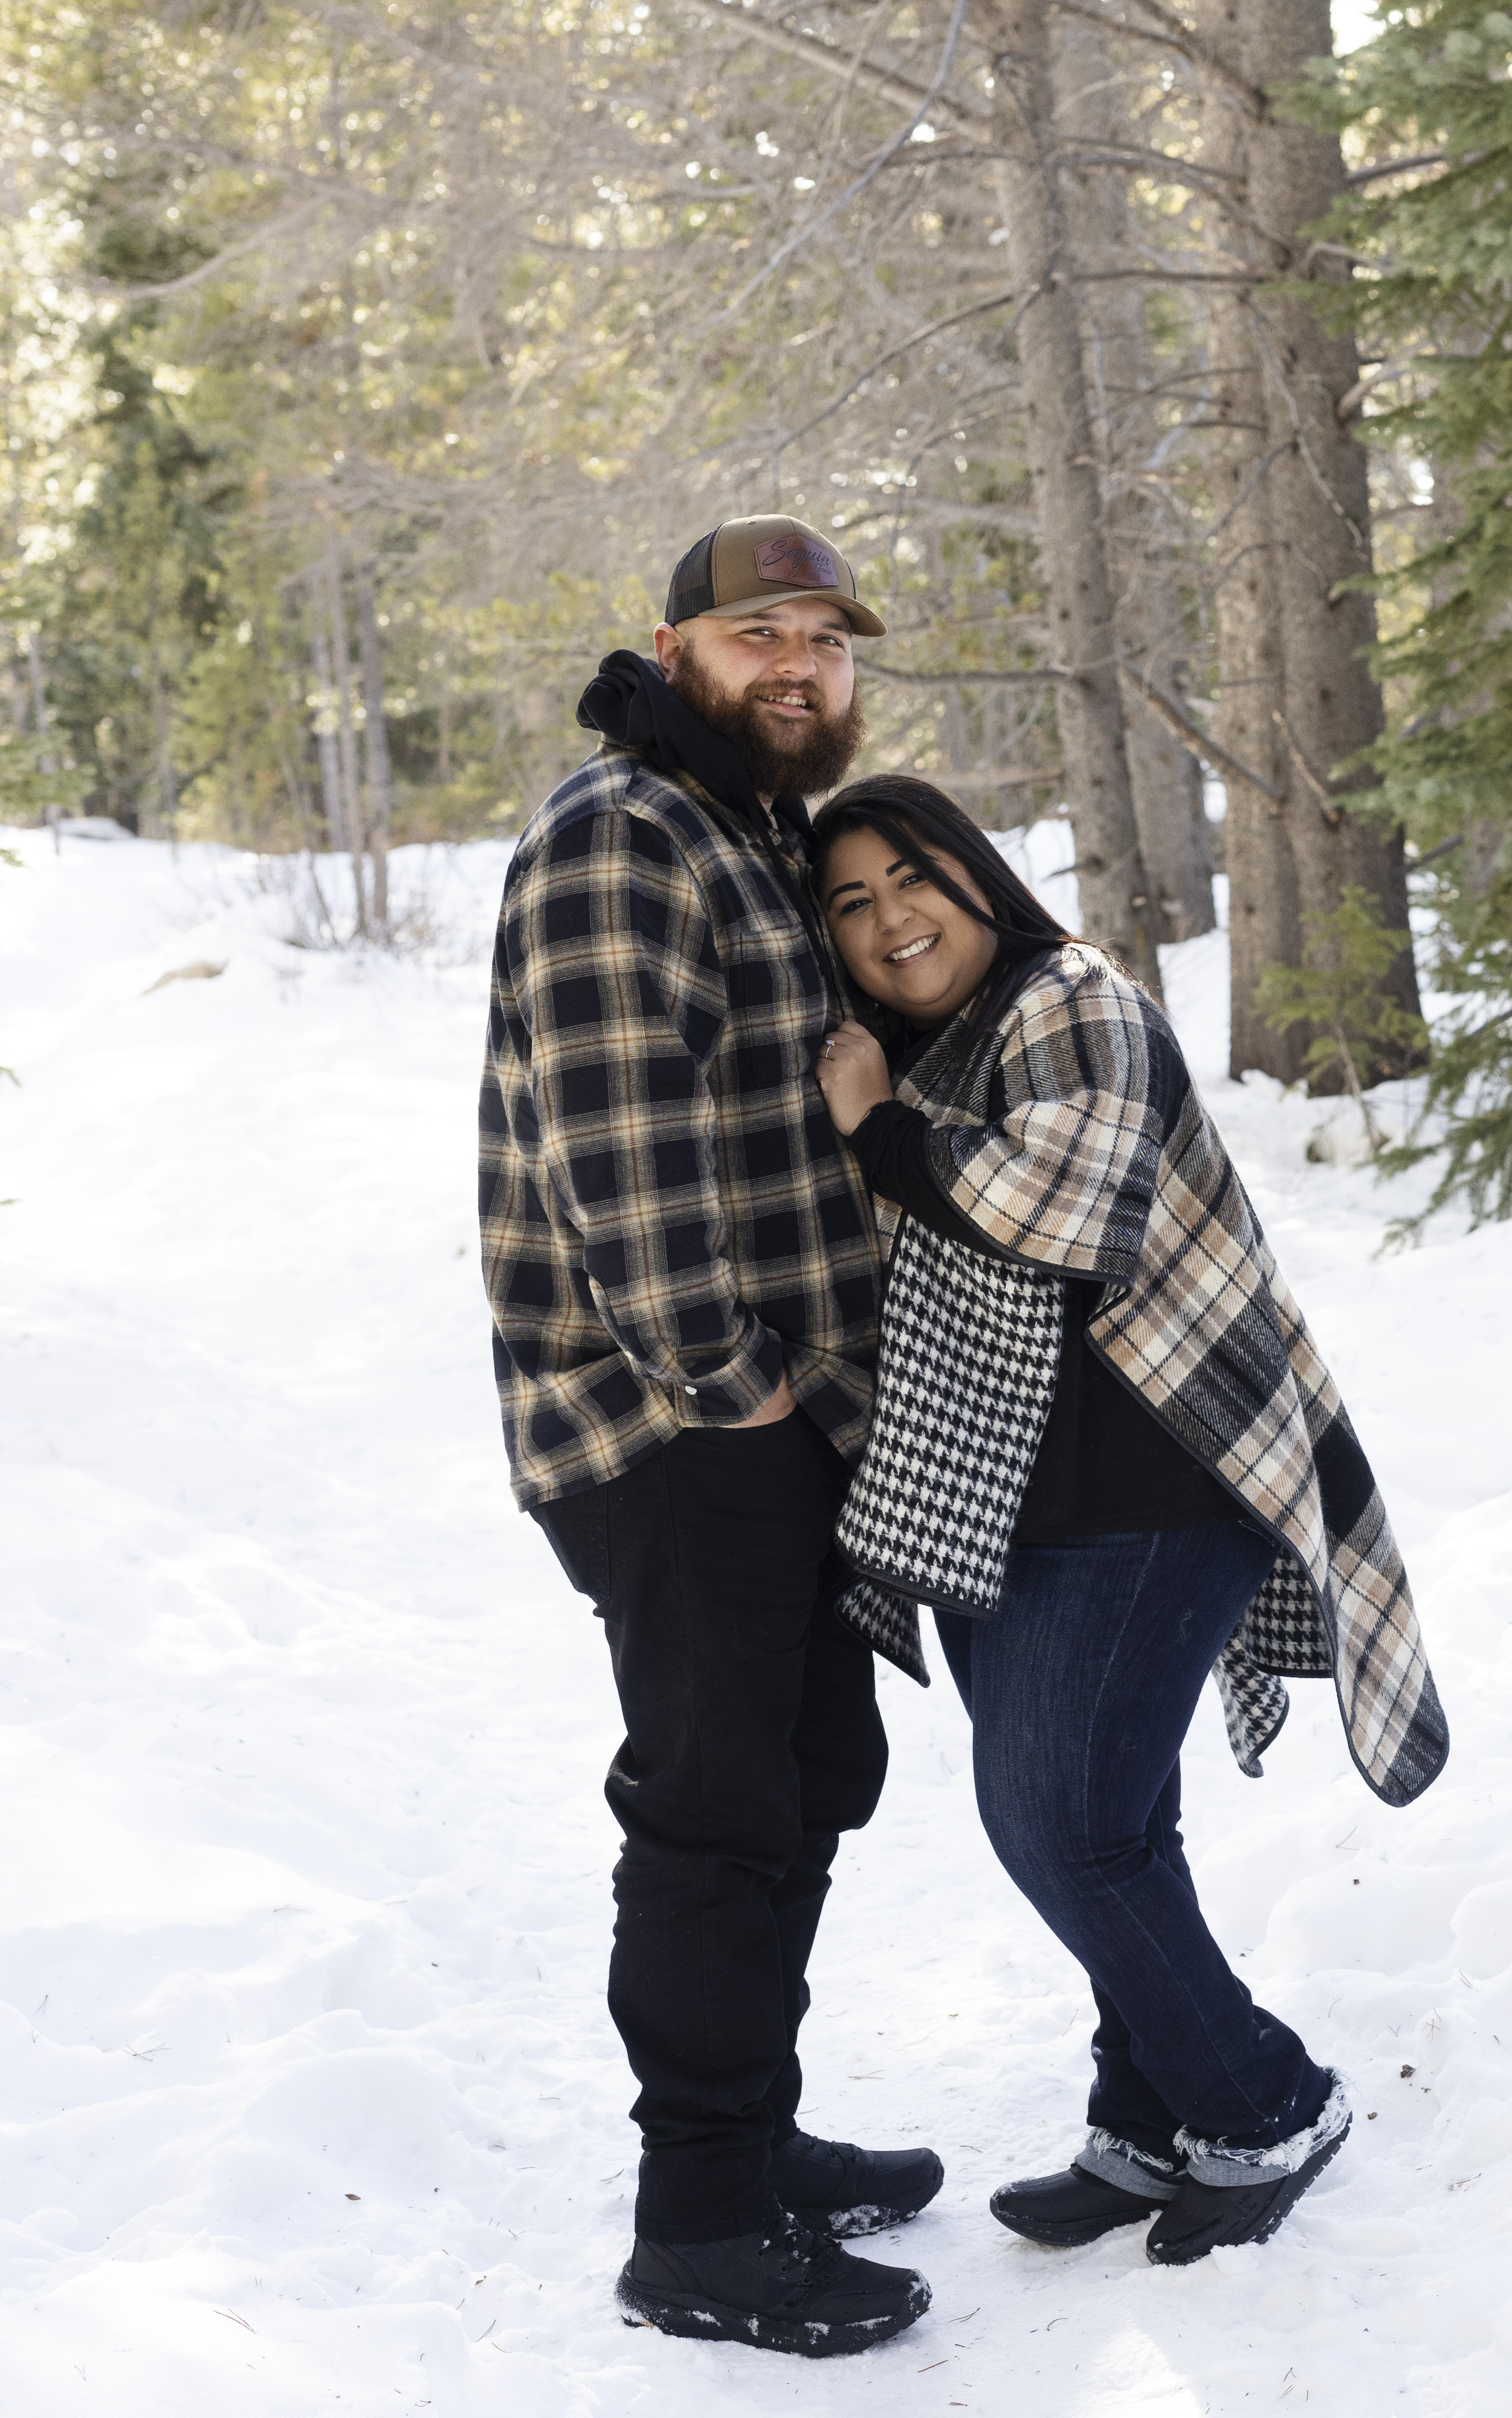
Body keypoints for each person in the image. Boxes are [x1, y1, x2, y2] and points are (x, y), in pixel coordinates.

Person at [803, 774, 1450, 2266]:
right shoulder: (921, 1047)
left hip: (1160, 1487)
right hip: (1003, 1506)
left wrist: (879, 1130)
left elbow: (1065, 1201)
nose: (892, 917)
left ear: (976, 875)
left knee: (1060, 1823)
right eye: (851, 901)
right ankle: (1150, 2112)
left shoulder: (1071, 997)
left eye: (914, 876)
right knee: (1116, 1820)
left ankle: (1267, 2098)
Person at [476, 517, 937, 2358]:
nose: (800, 667)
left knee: (807, 1776)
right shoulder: (623, 835)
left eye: (826, 639)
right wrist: (732, 1383)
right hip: (676, 1422)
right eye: (761, 635)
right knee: (717, 1810)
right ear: (673, 653)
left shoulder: (742, 828)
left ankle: (758, 2140)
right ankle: (698, 2225)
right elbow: (621, 1149)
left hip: (772, 1411)